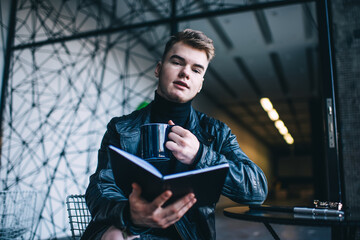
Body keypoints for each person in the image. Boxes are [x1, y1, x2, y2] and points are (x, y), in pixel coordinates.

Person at [82, 29, 268, 240]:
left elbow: (256, 190)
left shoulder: (216, 133)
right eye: (177, 62)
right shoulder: (121, 128)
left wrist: (200, 155)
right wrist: (130, 214)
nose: (185, 73)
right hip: (134, 232)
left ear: (200, 85)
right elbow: (100, 187)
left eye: (196, 70)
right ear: (159, 69)